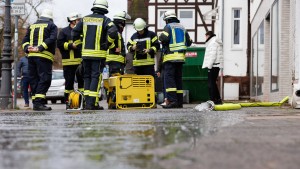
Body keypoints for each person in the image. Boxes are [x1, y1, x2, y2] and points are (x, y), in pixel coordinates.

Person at [72, 0, 118, 110]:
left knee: (86, 77)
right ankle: (91, 104)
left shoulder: (84, 19)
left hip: (86, 54)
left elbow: (74, 33)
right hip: (98, 55)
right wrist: (107, 43)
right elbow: (113, 32)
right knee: (95, 77)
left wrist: (79, 46)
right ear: (104, 9)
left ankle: (87, 103)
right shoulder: (106, 20)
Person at [22, 9, 58, 111]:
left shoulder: (32, 26)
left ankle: (35, 103)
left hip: (31, 57)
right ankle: (39, 103)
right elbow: (52, 38)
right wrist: (40, 47)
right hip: (44, 56)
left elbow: (25, 40)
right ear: (50, 17)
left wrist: (27, 47)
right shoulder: (52, 25)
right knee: (45, 79)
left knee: (34, 79)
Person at [159, 10, 192, 109]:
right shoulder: (182, 27)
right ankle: (179, 102)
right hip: (180, 59)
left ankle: (172, 101)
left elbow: (163, 38)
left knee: (170, 80)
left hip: (170, 58)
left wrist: (160, 37)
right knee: (178, 79)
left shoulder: (168, 27)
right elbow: (189, 42)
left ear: (167, 20)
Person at [57, 12, 83, 109]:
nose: (79, 21)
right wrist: (71, 46)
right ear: (72, 21)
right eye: (78, 20)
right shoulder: (64, 31)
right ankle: (68, 103)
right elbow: (59, 44)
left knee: (81, 83)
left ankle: (81, 102)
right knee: (68, 84)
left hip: (79, 62)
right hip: (68, 62)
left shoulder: (81, 31)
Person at [106, 11, 131, 76]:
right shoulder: (114, 30)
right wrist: (114, 49)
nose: (124, 25)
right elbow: (107, 41)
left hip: (117, 62)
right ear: (121, 22)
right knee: (115, 83)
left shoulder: (116, 30)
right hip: (114, 62)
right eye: (124, 22)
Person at [202, 31, 223, 105]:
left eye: (206, 36)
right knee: (213, 83)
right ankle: (217, 99)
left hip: (213, 65)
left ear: (208, 35)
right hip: (215, 65)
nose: (205, 38)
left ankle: (213, 100)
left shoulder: (213, 42)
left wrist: (209, 66)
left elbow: (213, 55)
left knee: (211, 84)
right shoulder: (214, 41)